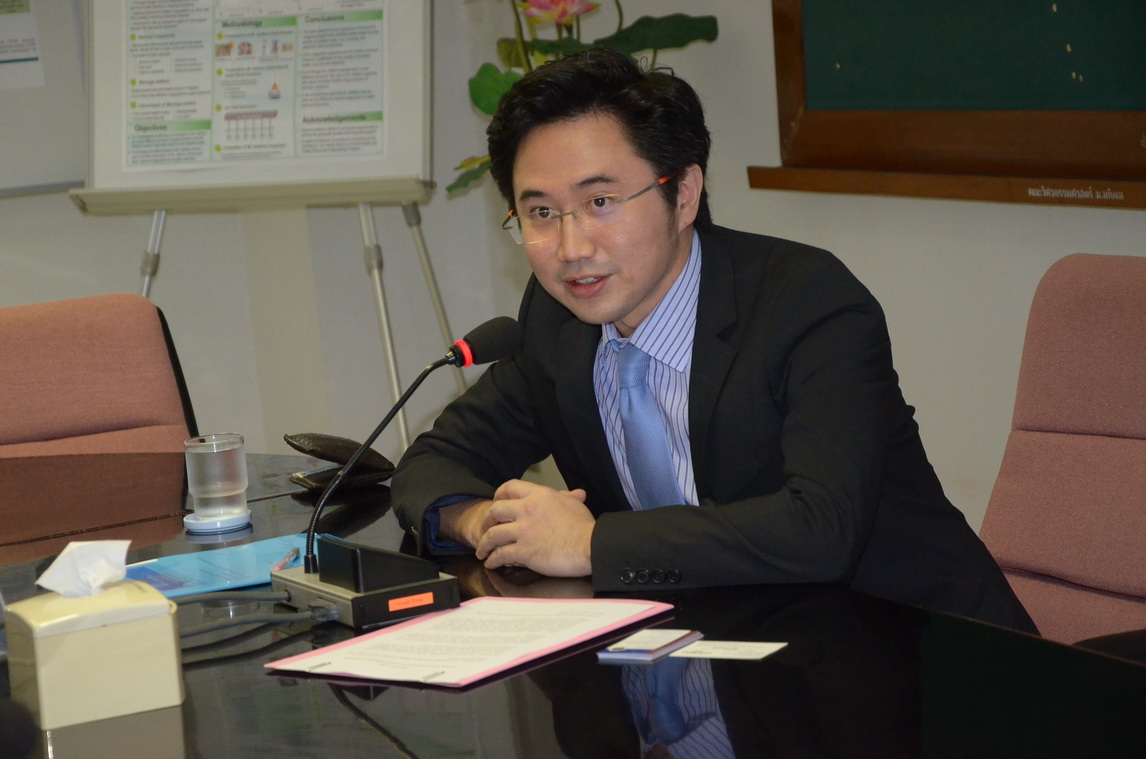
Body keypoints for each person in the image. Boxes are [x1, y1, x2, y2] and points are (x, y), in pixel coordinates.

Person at [391, 48, 1036, 633]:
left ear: (684, 194)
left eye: (601, 202)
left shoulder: (807, 303)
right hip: (726, 653)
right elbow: (431, 463)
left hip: (918, 651)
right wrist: (487, 523)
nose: (570, 247)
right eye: (540, 212)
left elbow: (822, 528)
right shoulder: (555, 323)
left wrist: (590, 543)